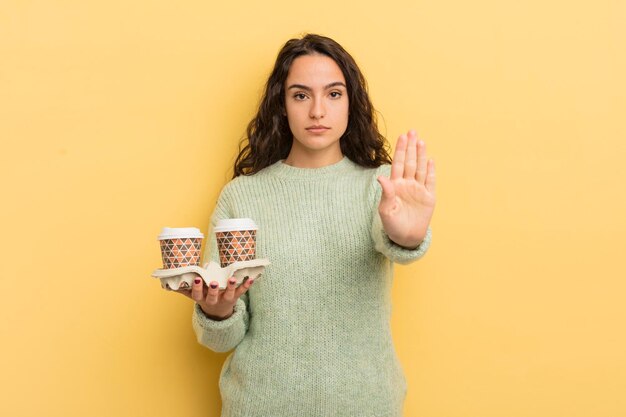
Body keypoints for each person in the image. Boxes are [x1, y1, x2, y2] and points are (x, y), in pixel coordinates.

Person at [176, 33, 436, 417]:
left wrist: (409, 237)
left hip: (366, 405)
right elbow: (222, 339)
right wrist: (218, 311)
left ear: (352, 103)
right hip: (261, 406)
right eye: (300, 95)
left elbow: (398, 238)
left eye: (333, 94)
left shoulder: (379, 186)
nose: (317, 111)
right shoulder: (242, 197)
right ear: (282, 106)